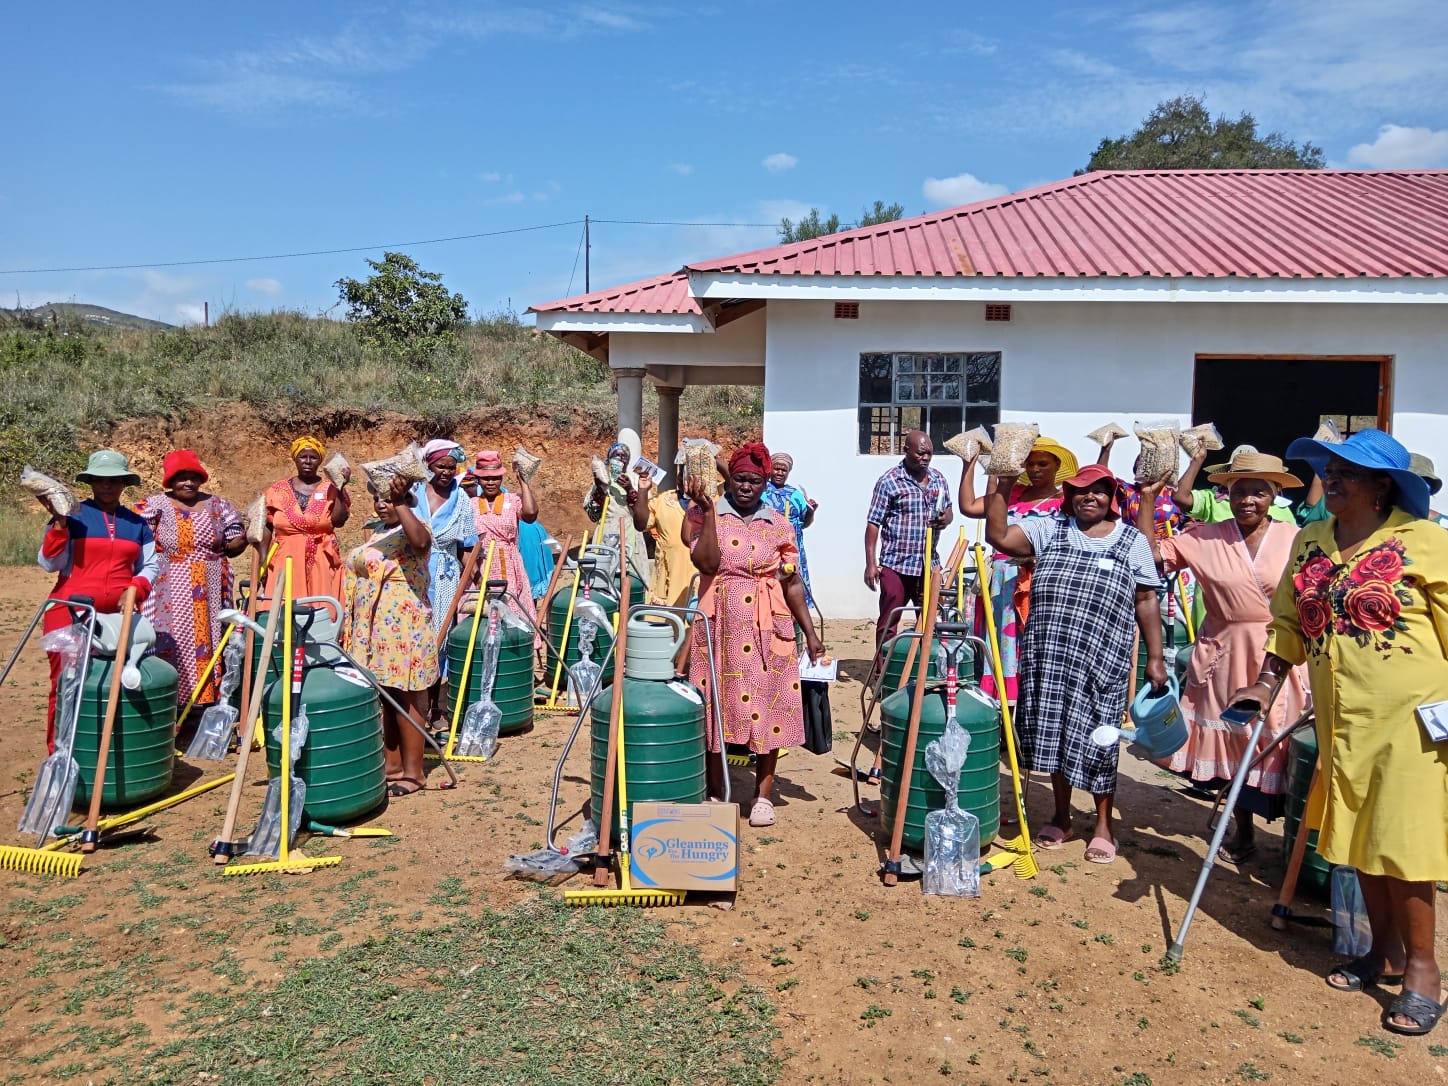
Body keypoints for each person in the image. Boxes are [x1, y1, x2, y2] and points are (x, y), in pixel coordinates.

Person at [1238, 428, 1448, 1036]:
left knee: (1403, 846)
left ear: (1383, 486)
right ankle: (1382, 953)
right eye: (1329, 469)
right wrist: (1266, 682)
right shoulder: (1311, 542)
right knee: (1363, 842)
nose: (1331, 477)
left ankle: (1424, 973)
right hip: (1343, 720)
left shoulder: (1425, 543)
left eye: (1347, 471)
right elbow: (1286, 626)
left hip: (1412, 721)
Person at [985, 462, 1166, 864]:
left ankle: (1103, 825)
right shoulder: (1050, 528)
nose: (1090, 497)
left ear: (1112, 498)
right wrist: (1005, 483)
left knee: (1100, 741)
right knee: (1053, 737)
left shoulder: (1130, 541)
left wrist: (1155, 657)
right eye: (1082, 490)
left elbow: (1147, 599)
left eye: (1100, 490)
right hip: (1050, 657)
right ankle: (1062, 817)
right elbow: (997, 534)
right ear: (1069, 496)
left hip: (1102, 660)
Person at [1136, 453, 1310, 862]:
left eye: (1259, 492)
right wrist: (1147, 501)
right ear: (1226, 494)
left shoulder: (1297, 537)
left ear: (1276, 495)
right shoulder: (1203, 536)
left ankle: (1294, 840)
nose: (1248, 499)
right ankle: (1243, 829)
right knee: (1234, 740)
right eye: (1239, 491)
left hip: (1281, 651)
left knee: (1282, 743)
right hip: (1224, 653)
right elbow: (1149, 559)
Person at [687, 443, 826, 828]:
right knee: (715, 704)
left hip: (770, 625)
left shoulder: (778, 522)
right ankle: (716, 790)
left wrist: (810, 634)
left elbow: (791, 580)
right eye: (739, 479)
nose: (746, 487)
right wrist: (712, 512)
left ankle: (763, 795)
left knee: (771, 707)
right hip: (720, 625)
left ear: (766, 483)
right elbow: (707, 563)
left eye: (755, 481)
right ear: (728, 478)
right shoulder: (704, 511)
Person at [35, 450, 159, 748]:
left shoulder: (136, 523)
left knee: (112, 682)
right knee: (66, 683)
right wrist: (60, 525)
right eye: (101, 480)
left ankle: (104, 749)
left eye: (115, 481)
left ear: (123, 484)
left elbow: (150, 565)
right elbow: (49, 562)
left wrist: (137, 588)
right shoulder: (72, 515)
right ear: (90, 482)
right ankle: (61, 751)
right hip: (70, 611)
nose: (108, 486)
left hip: (117, 618)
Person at [957, 437, 1077, 702]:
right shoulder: (1011, 495)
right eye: (1030, 464)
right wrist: (969, 464)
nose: (1035, 470)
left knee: (1033, 641)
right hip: (1002, 584)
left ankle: (1031, 701)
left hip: (1039, 581)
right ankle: (1001, 703)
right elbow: (968, 506)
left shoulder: (1064, 503)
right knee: (1002, 641)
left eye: (1043, 464)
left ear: (1057, 465)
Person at [340, 475, 437, 798]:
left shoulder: (415, 528)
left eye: (388, 499)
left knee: (406, 695)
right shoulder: (378, 533)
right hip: (372, 628)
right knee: (384, 694)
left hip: (403, 625)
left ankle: (414, 772)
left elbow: (421, 544)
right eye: (377, 499)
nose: (381, 504)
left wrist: (401, 501)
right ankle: (391, 766)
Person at [135, 449, 247, 718]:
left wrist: (250, 533)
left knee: (210, 640)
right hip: (166, 587)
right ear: (169, 481)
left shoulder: (220, 506)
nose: (187, 483)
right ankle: (166, 701)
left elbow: (233, 546)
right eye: (180, 477)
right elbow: (136, 540)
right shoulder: (153, 506)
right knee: (165, 640)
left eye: (193, 477)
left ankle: (204, 705)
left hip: (210, 586)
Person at [864, 430, 953, 647]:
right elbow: (873, 523)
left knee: (931, 620)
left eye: (929, 454)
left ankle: (925, 670)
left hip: (928, 564)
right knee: (889, 620)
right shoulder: (889, 481)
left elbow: (948, 509)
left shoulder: (938, 480)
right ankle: (882, 673)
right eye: (920, 454)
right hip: (896, 564)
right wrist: (870, 564)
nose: (925, 458)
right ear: (906, 451)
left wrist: (947, 518)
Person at [263, 436, 350, 601]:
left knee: (321, 609)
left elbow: (339, 521)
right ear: (295, 458)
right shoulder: (277, 490)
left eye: (313, 457)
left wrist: (339, 488)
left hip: (321, 559)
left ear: (319, 461)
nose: (308, 461)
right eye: (303, 456)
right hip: (285, 558)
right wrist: (263, 561)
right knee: (282, 611)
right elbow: (266, 525)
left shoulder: (331, 488)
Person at [470, 450, 540, 633]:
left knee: (514, 612)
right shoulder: (471, 504)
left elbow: (530, 515)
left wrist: (523, 483)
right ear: (478, 479)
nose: (490, 482)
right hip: (482, 565)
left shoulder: (513, 500)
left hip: (509, 564)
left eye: (495, 477)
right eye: (485, 478)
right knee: (482, 616)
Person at [413, 439, 477, 637]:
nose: (447, 472)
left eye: (451, 468)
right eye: (441, 466)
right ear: (429, 465)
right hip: (411, 572)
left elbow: (466, 549)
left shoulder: (462, 500)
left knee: (440, 633)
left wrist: (480, 580)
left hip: (444, 577)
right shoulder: (412, 493)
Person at [631, 451, 696, 608]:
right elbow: (641, 524)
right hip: (667, 584)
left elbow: (730, 481)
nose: (682, 478)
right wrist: (643, 490)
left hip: (697, 581)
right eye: (681, 472)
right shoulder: (663, 500)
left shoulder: (711, 502)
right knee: (665, 629)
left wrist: (713, 459)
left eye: (689, 473)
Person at [1174, 444, 1297, 526]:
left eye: (1258, 493)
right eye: (1238, 472)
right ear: (1228, 476)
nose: (1248, 501)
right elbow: (1180, 498)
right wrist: (1197, 460)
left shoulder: (1282, 508)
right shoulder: (1212, 499)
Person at [584, 435, 647, 572]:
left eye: (623, 456)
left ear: (628, 461)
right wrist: (600, 489)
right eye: (616, 455)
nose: (620, 458)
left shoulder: (636, 481)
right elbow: (593, 515)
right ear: (609, 459)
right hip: (606, 533)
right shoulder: (602, 482)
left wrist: (630, 490)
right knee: (606, 574)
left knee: (631, 575)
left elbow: (644, 515)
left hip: (631, 534)